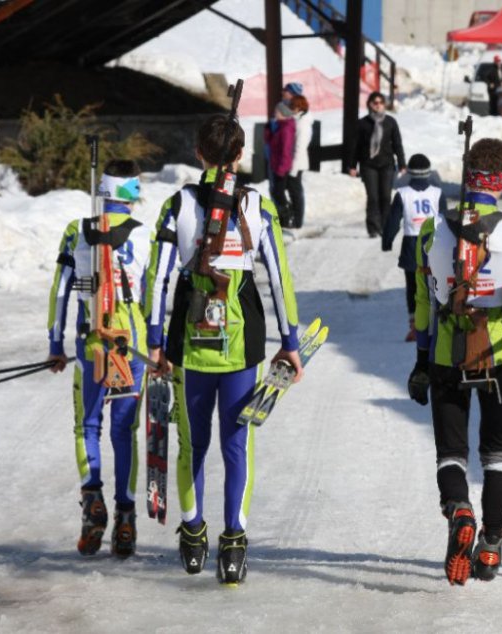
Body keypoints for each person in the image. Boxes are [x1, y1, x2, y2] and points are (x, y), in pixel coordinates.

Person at [145, 114, 303, 584]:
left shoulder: (178, 205)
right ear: (239, 157)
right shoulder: (258, 205)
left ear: (198, 154)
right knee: (238, 444)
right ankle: (234, 545)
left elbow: (158, 279)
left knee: (192, 444)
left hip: (188, 345)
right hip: (242, 343)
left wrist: (155, 341)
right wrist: (290, 342)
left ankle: (193, 534)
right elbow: (279, 278)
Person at [408, 137, 502, 586]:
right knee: (496, 452)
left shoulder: (431, 231)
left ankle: (459, 509)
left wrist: (421, 361)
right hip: (497, 355)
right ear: (500, 181)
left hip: (447, 354)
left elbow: (423, 307)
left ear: (467, 176)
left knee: (451, 451)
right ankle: (490, 543)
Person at [47, 159, 152, 559]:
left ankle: (93, 501)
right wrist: (158, 345)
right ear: (134, 194)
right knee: (124, 431)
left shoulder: (77, 232)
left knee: (86, 424)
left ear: (102, 191)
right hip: (132, 346)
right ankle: (126, 519)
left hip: (92, 344)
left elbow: (60, 291)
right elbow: (152, 294)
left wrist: (56, 343)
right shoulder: (145, 237)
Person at [381, 153, 446, 342]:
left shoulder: (402, 194)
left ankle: (416, 326)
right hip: (433, 242)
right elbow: (444, 218)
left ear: (409, 172)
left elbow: (393, 221)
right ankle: (437, 323)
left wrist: (387, 241)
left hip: (411, 243)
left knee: (413, 287)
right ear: (428, 172)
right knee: (436, 283)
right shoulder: (437, 192)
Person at [347, 91, 407, 238]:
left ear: (384, 104)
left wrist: (402, 163)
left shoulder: (390, 122)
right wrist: (352, 166)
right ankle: (373, 228)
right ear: (370, 104)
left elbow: (397, 144)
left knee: (386, 197)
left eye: (381, 102)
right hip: (368, 165)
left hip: (387, 164)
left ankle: (386, 226)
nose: (378, 105)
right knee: (373, 197)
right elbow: (355, 146)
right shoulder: (362, 124)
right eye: (375, 102)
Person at [264, 101, 296, 228]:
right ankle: (283, 218)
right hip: (275, 164)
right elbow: (270, 142)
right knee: (277, 193)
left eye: (277, 111)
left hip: (281, 167)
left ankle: (287, 218)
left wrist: (281, 169)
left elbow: (286, 150)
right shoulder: (279, 126)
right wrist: (268, 130)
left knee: (279, 193)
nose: (275, 113)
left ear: (283, 113)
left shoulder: (286, 128)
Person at [287, 94, 313, 229]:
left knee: (296, 193)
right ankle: (295, 219)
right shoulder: (297, 120)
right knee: (293, 192)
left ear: (299, 107)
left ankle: (298, 221)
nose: (291, 109)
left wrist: (293, 168)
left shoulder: (303, 124)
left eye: (293, 106)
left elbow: (300, 148)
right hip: (293, 162)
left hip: (297, 163)